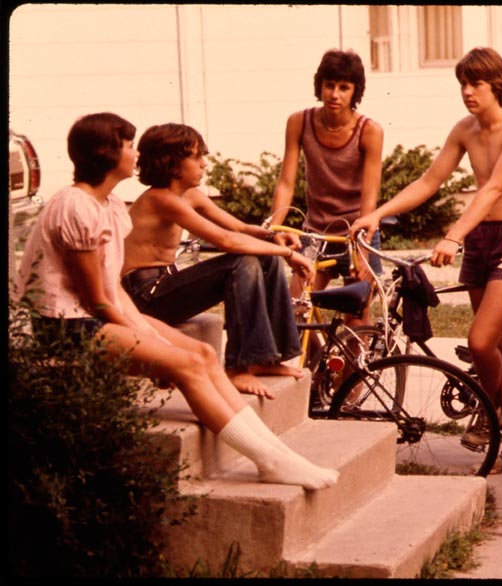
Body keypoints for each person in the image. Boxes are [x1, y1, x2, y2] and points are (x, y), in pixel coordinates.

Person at [13, 112, 338, 490]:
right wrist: (154, 352)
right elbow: (97, 301)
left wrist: (151, 339)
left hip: (97, 315)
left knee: (202, 356)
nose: (136, 153)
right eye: (128, 145)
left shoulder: (110, 207)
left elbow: (112, 289)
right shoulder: (75, 207)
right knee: (185, 364)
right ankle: (268, 459)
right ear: (105, 153)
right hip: (65, 327)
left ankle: (277, 455)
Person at [351, 46, 502, 474]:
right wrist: (377, 214)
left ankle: (484, 411)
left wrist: (453, 235)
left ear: (497, 85)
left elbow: (493, 188)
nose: (468, 92)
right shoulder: (465, 129)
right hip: (482, 240)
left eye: (475, 83)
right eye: (463, 84)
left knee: (480, 342)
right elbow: (430, 180)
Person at [122, 122, 313, 399]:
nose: (204, 164)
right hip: (145, 297)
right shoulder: (160, 200)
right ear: (172, 163)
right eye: (197, 157)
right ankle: (238, 366)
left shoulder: (190, 196)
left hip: (166, 284)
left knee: (266, 260)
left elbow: (238, 228)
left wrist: (273, 239)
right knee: (242, 262)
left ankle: (268, 358)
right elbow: (225, 242)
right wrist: (289, 254)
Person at [269, 49, 385, 329]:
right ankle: (315, 371)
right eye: (329, 85)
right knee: (297, 311)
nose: (335, 94)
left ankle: (354, 373)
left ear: (355, 91)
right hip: (315, 231)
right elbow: (286, 182)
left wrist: (362, 251)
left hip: (356, 232)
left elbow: (369, 198)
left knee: (357, 320)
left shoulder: (369, 130)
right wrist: (274, 227)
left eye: (344, 87)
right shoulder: (299, 122)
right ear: (319, 85)